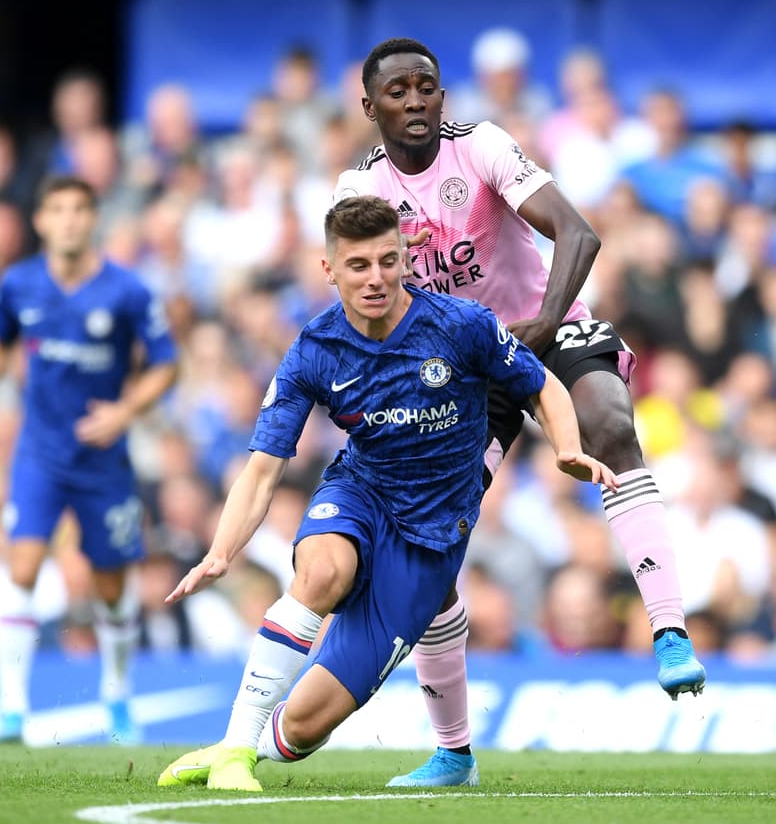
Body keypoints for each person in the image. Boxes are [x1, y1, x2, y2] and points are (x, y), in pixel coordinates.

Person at [338, 37, 706, 786]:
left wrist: (541, 323)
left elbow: (580, 232)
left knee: (607, 419)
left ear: (443, 95)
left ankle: (668, 627)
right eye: (399, 92)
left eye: (428, 87)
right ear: (370, 106)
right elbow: (361, 297)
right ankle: (454, 751)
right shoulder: (360, 192)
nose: (416, 101)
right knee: (428, 545)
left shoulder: (482, 148)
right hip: (461, 367)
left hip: (543, 320)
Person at [156, 196, 616, 791]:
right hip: (360, 494)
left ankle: (257, 747)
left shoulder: (461, 324)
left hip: (430, 537)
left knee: (300, 729)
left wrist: (567, 446)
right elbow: (263, 468)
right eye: (357, 265)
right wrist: (220, 553)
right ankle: (234, 747)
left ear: (404, 258)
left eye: (386, 261)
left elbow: (543, 383)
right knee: (320, 572)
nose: (374, 278)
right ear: (330, 271)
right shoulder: (315, 350)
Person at [0, 176, 177, 744]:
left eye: (80, 209)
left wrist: (125, 411)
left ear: (93, 217)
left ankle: (117, 694)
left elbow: (166, 364)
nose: (70, 220)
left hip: (103, 460)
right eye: (58, 210)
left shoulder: (126, 291)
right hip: (40, 455)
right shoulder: (18, 284)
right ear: (41, 221)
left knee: (109, 585)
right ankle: (11, 709)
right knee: (21, 568)